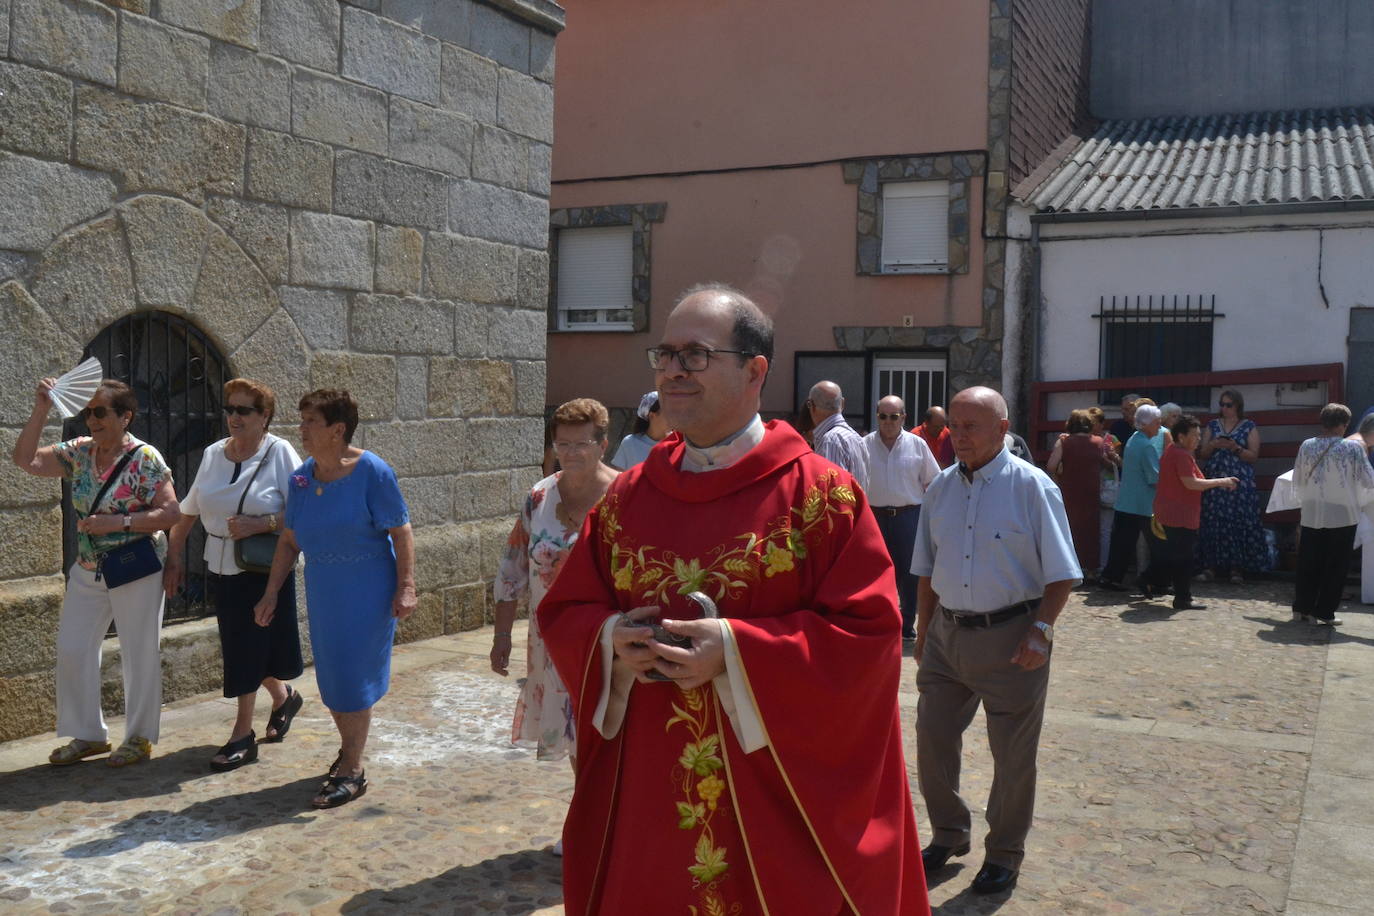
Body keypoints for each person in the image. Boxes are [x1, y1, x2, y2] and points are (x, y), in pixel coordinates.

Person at [538, 283, 929, 915]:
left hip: (772, 802)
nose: (671, 370)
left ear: (755, 370)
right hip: (649, 794)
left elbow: (870, 638)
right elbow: (566, 610)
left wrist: (739, 652)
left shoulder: (821, 498)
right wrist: (612, 640)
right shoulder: (628, 499)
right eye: (664, 353)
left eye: (694, 354)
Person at [911, 386, 1080, 896]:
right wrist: (923, 630)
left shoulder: (1033, 488)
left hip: (1012, 637)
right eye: (954, 426)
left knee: (1012, 756)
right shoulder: (940, 488)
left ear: (1002, 429)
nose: (958, 436)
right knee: (932, 739)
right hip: (947, 635)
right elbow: (926, 568)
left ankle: (1005, 852)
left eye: (971, 426)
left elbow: (1063, 574)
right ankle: (949, 833)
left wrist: (1042, 631)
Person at [252, 389, 416, 808]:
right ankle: (349, 752)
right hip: (325, 592)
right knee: (331, 680)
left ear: (337, 429)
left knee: (353, 680)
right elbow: (289, 541)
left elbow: (401, 530)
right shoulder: (302, 479)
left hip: (368, 591)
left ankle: (353, 769)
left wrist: (407, 586)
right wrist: (271, 591)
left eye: (311, 421)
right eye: (302, 419)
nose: (301, 429)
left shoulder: (373, 472)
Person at [13, 378, 179, 767]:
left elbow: (172, 512)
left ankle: (138, 737)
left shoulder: (145, 458)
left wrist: (118, 523)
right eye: (88, 412)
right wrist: (41, 408)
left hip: (134, 565)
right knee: (73, 648)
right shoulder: (80, 453)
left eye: (100, 412)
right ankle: (88, 735)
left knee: (139, 653)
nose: (92, 419)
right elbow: (26, 460)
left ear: (125, 416)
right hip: (89, 567)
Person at [492, 397, 620, 855]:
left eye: (581, 443)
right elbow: (512, 568)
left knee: (604, 730)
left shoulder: (626, 495)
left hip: (609, 639)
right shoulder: (540, 496)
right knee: (572, 732)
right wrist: (502, 636)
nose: (570, 452)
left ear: (603, 444)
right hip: (551, 640)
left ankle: (603, 824)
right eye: (562, 443)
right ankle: (591, 822)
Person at [165, 378, 304, 771]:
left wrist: (260, 524)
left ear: (265, 417)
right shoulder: (213, 454)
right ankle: (284, 697)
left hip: (265, 568)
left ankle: (242, 734)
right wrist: (174, 555)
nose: (234, 417)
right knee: (243, 646)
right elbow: (189, 508)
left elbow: (301, 515)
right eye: (229, 409)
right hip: (221, 565)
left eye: (244, 410)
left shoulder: (280, 453)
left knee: (245, 648)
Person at [863, 395, 940, 648]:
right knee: (874, 572)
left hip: (909, 516)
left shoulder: (917, 445)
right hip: (873, 517)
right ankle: (878, 623)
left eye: (893, 416)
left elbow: (934, 482)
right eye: (883, 416)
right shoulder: (863, 445)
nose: (888, 421)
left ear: (903, 418)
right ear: (877, 417)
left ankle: (906, 625)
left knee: (909, 573)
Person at [1291, 404, 1374, 625]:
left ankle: (1301, 609)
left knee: (1308, 562)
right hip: (1342, 515)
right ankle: (1324, 612)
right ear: (1344, 425)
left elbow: (1297, 480)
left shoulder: (1306, 445)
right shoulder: (1353, 448)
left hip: (1312, 513)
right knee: (1335, 567)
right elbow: (1369, 480)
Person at [1153, 415, 1237, 611]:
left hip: (1174, 510)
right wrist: (1222, 482)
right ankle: (1182, 598)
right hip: (1178, 513)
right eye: (1195, 435)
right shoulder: (1180, 454)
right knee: (1183, 557)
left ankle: (1155, 583)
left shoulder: (1176, 451)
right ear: (1181, 437)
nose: (1199, 439)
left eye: (1200, 435)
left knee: (1176, 554)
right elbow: (1191, 483)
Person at [1198, 389, 1266, 583]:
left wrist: (1235, 448)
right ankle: (1210, 565)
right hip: (1216, 478)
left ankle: (1237, 568)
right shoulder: (1213, 425)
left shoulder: (1249, 426)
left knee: (1238, 520)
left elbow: (1253, 455)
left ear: (1237, 406)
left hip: (1240, 480)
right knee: (1213, 520)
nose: (1224, 408)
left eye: (1228, 405)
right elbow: (1203, 453)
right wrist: (1214, 445)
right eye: (1222, 404)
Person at [1098, 403, 1168, 595]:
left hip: (1127, 500)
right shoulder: (1146, 445)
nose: (1159, 425)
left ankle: (1111, 577)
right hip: (1143, 503)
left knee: (1122, 542)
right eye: (1156, 422)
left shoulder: (1134, 439)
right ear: (1146, 424)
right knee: (1159, 543)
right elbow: (1153, 477)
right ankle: (1157, 581)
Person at [1046, 409, 1114, 573]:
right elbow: (1107, 463)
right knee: (1091, 530)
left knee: (1070, 528)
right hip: (1091, 490)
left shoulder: (1064, 441)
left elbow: (1051, 466)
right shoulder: (1098, 441)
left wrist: (1058, 479)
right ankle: (1091, 567)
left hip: (1069, 489)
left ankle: (1070, 566)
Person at [807, 380, 869, 489]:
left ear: (811, 405)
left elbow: (832, 491)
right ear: (843, 403)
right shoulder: (856, 438)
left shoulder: (830, 440)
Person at [610, 391, 668, 470]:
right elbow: (619, 476)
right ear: (652, 415)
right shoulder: (630, 443)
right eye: (668, 412)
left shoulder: (678, 444)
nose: (674, 416)